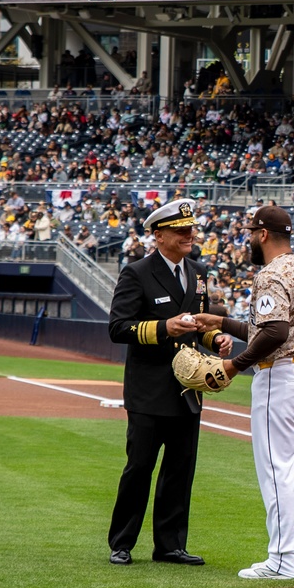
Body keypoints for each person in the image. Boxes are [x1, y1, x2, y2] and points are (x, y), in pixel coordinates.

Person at [193, 206, 294, 580]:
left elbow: (275, 332)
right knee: (291, 470)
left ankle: (282, 558)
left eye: (252, 232)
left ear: (263, 234)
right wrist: (223, 322)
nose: (249, 238)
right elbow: (270, 326)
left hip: (281, 375)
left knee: (275, 470)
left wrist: (235, 364)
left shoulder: (271, 273)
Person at [106, 199, 232, 568]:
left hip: (187, 389)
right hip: (148, 390)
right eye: (180, 231)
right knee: (139, 468)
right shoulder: (136, 273)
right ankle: (122, 542)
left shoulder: (199, 271)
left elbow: (201, 326)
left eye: (191, 229)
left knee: (180, 470)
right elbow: (117, 328)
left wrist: (216, 340)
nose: (189, 235)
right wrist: (164, 327)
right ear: (159, 236)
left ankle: (170, 545)